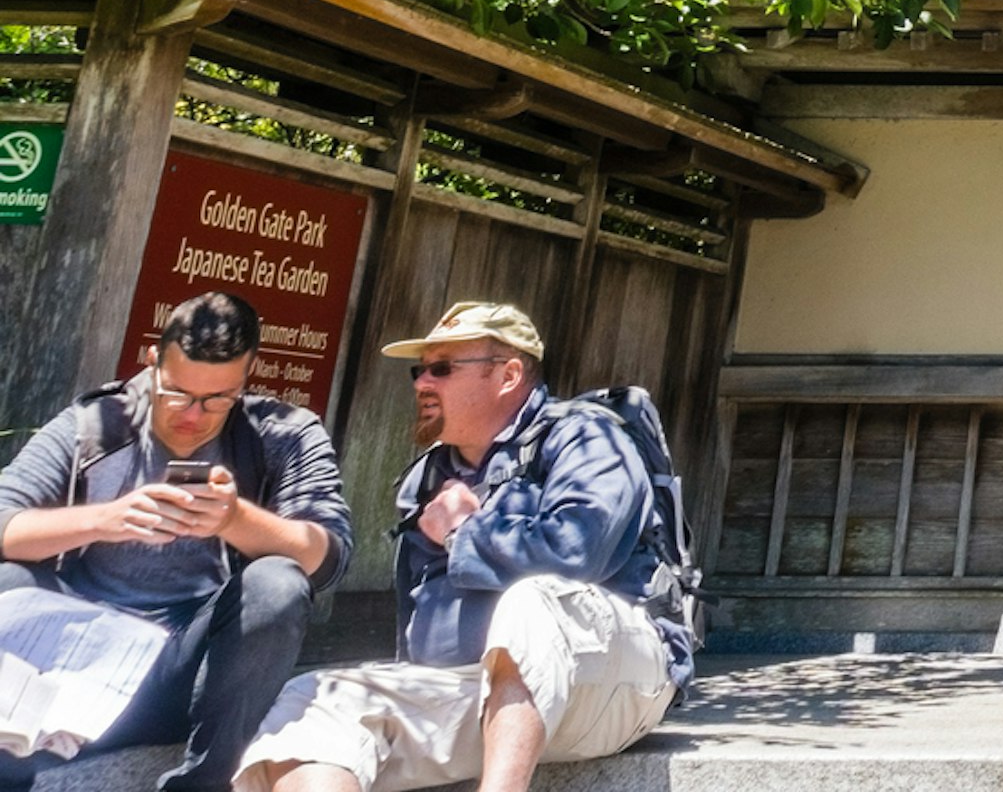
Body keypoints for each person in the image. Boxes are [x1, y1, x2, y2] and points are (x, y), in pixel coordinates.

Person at [234, 301, 689, 792]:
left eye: (442, 368)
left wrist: (461, 534)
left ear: (509, 374)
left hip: (614, 685)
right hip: (481, 691)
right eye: (420, 369)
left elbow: (576, 554)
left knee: (531, 601)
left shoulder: (586, 437)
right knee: (316, 701)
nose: (421, 383)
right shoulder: (429, 476)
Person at [0, 293, 348, 792]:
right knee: (7, 580)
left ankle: (203, 781)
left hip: (183, 668)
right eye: (177, 392)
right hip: (74, 657)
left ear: (247, 379)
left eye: (217, 399)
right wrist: (103, 520)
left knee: (278, 584)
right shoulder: (98, 424)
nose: (193, 415)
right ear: (152, 363)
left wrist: (234, 519)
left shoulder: (282, 434)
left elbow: (328, 556)